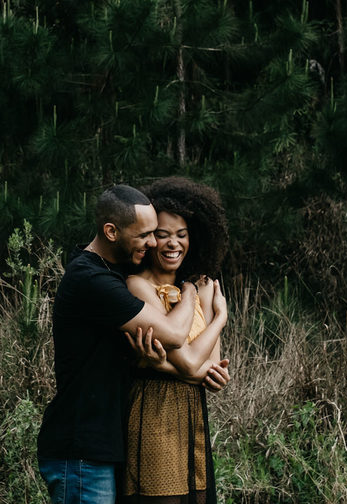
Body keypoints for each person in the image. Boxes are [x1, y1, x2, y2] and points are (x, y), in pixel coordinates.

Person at [37, 184, 230, 504]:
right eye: (146, 235)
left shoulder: (108, 273)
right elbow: (174, 337)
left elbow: (201, 364)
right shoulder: (94, 280)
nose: (155, 242)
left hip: (105, 442)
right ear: (111, 231)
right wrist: (195, 294)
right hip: (82, 446)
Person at [123, 176, 230, 504]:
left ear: (193, 239)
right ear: (149, 239)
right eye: (163, 235)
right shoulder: (139, 286)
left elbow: (210, 364)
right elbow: (189, 361)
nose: (173, 243)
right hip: (154, 411)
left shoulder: (203, 285)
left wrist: (174, 364)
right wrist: (220, 317)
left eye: (181, 235)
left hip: (193, 413)